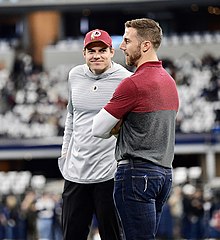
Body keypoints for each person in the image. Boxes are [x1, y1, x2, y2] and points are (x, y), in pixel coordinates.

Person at [92, 18, 179, 240]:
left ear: (145, 45)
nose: (121, 46)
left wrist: (118, 124)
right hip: (164, 174)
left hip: (136, 174)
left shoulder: (133, 83)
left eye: (127, 40)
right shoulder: (169, 82)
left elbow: (98, 128)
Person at [58, 29, 132, 240]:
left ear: (111, 52)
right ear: (84, 54)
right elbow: (71, 117)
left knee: (113, 235)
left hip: (109, 174)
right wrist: (65, 155)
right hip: (75, 173)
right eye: (91, 51)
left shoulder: (126, 79)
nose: (96, 55)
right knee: (72, 235)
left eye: (102, 50)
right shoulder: (74, 75)